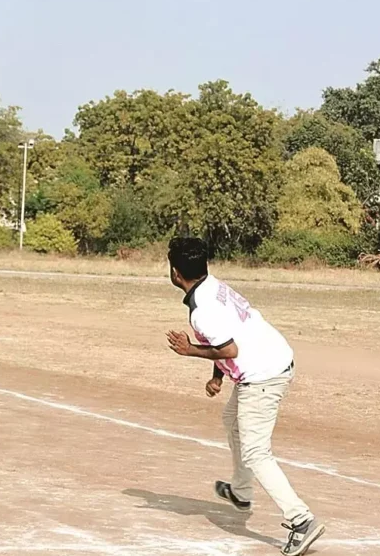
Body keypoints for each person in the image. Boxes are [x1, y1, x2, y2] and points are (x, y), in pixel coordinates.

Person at [164, 237, 325, 556]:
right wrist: (217, 377)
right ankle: (240, 490)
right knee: (232, 422)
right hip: (270, 360)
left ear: (175, 272)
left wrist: (189, 351)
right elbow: (227, 336)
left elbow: (227, 348)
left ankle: (301, 520)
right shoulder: (211, 287)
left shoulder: (202, 310)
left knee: (256, 452)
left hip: (263, 374)